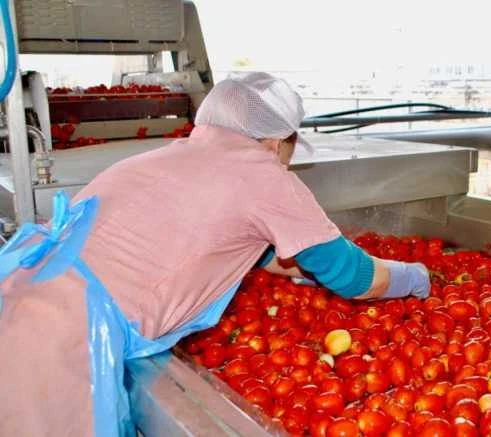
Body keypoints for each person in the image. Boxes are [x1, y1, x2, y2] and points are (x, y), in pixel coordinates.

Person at [0, 72, 430, 436]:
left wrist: (305, 270)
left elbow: (232, 245)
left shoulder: (173, 157)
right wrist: (412, 277)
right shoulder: (262, 174)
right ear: (277, 142)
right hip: (64, 338)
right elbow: (356, 277)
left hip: (20, 294)